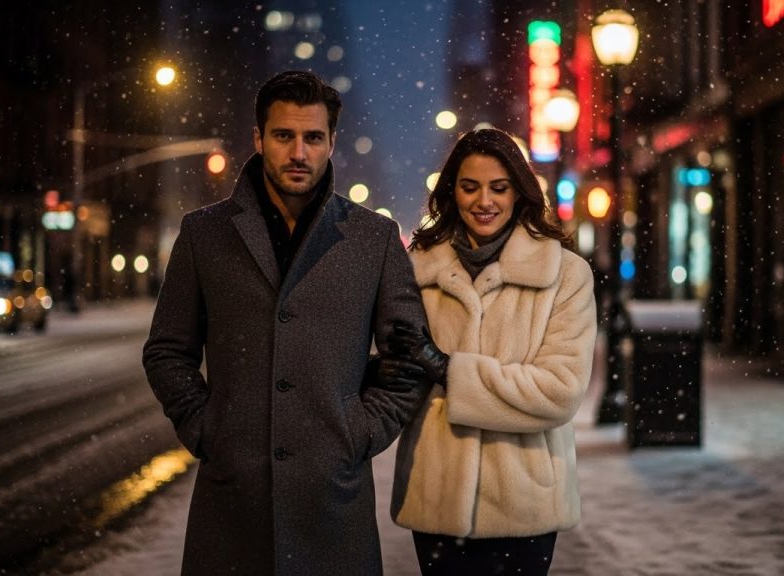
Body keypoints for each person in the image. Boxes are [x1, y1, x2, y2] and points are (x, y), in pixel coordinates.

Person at [142, 70, 431, 575]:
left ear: (331, 142)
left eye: (313, 138)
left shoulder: (374, 238)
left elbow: (408, 354)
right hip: (233, 502)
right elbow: (167, 350)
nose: (299, 152)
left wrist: (359, 433)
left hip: (332, 501)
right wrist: (209, 429)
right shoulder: (204, 234)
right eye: (284, 136)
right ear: (258, 139)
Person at [388, 127, 598, 575]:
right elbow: (393, 370)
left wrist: (450, 371)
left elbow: (560, 390)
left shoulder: (565, 274)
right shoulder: (418, 270)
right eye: (470, 187)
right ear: (451, 193)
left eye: (499, 188)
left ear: (520, 193)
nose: (485, 201)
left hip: (524, 500)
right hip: (436, 494)